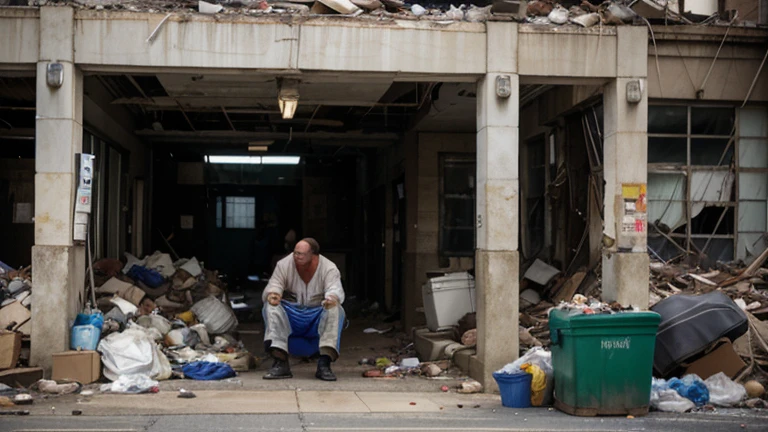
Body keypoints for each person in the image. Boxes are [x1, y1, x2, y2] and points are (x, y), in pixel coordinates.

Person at [261, 238, 345, 381]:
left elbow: (335, 289)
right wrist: (274, 294)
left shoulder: (329, 267)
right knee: (270, 307)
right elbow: (275, 284)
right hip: (292, 315)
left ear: (313, 255)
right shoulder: (284, 264)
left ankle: (324, 364)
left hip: (317, 314)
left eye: (301, 254)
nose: (296, 256)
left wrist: (331, 298)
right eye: (295, 253)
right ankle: (280, 363)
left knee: (336, 310)